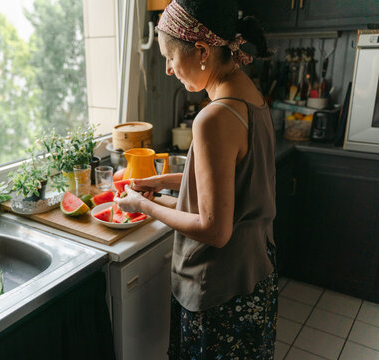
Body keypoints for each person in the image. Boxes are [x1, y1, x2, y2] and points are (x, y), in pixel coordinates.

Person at [113, 0, 278, 358]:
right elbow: (227, 180)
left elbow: (214, 229)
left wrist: (143, 205)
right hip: (254, 277)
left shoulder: (212, 118)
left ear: (201, 50)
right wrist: (159, 184)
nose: (169, 70)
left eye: (170, 58)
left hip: (218, 291)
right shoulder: (250, 96)